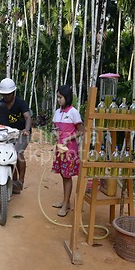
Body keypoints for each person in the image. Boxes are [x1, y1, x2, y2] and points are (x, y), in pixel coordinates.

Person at [0, 78, 32, 194]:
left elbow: (27, 117)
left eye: (9, 94)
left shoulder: (20, 103)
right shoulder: (0, 105)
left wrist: (26, 129)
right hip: (8, 134)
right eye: (4, 94)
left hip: (22, 132)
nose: (7, 97)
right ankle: (13, 180)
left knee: (17, 153)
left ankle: (21, 181)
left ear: (13, 93)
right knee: (6, 154)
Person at [51, 85, 84, 217]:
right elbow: (56, 128)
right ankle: (66, 201)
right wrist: (56, 133)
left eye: (61, 97)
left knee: (67, 175)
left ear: (67, 97)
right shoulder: (57, 112)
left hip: (70, 149)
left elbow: (81, 131)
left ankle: (65, 204)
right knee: (62, 174)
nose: (59, 100)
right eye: (58, 97)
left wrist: (68, 138)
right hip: (60, 148)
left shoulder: (73, 112)